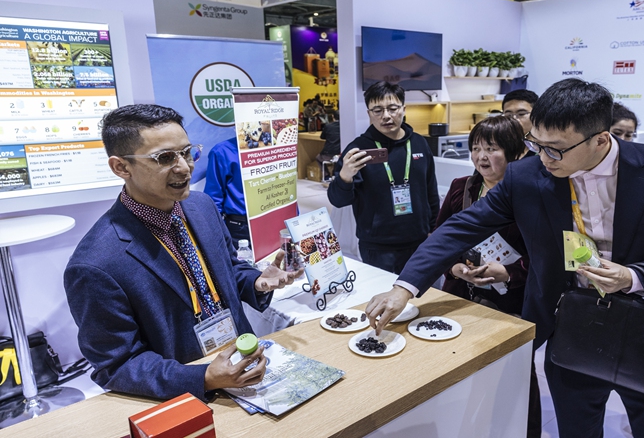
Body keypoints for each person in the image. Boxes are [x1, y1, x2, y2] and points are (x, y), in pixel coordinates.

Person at [365, 78, 644, 438]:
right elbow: (461, 227)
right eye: (537, 143)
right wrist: (404, 287)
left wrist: (635, 276)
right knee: (577, 428)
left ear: (600, 138)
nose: (544, 157)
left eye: (557, 149)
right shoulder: (525, 175)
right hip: (572, 323)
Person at [64, 104, 304, 401]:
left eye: (187, 152)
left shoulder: (201, 207)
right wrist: (202, 378)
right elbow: (116, 365)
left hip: (246, 366)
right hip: (185, 393)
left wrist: (256, 281)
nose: (184, 167)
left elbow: (227, 269)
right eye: (165, 158)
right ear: (121, 167)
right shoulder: (95, 265)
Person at [327, 81, 439, 274]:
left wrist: (434, 231)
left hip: (420, 242)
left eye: (392, 108)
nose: (386, 116)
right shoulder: (358, 150)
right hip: (378, 248)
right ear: (369, 113)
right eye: (377, 110)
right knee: (383, 300)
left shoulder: (419, 143)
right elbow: (338, 201)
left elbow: (431, 192)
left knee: (422, 300)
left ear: (403, 109)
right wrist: (345, 176)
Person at [437, 115, 528, 315]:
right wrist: (454, 268)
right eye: (476, 148)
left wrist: (508, 273)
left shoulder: (528, 194)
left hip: (508, 302)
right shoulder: (461, 187)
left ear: (515, 152)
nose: (481, 156)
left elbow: (542, 255)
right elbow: (440, 238)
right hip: (459, 293)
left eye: (491, 149)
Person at [204, 136, 249, 243]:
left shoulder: (274, 148)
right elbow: (213, 199)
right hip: (240, 228)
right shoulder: (221, 151)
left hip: (273, 219)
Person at [502, 89, 539, 157]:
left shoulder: (543, 148)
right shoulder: (499, 145)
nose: (514, 119)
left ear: (536, 115)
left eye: (521, 114)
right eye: (508, 115)